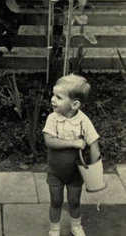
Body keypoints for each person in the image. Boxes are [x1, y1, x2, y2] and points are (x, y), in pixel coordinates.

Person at [43, 74, 101, 236]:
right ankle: (54, 230)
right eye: (53, 95)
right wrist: (74, 143)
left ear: (75, 104)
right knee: (56, 201)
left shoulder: (83, 121)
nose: (53, 99)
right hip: (55, 171)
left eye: (59, 97)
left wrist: (94, 173)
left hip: (75, 173)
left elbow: (94, 143)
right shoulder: (53, 119)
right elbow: (50, 141)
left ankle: (76, 226)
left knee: (74, 201)